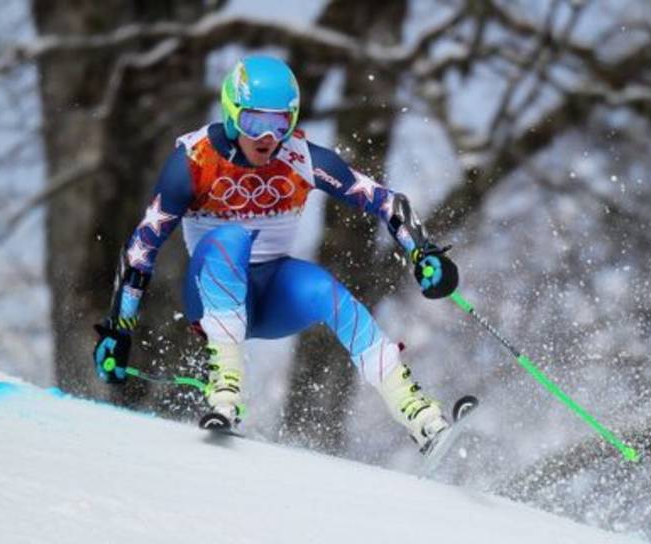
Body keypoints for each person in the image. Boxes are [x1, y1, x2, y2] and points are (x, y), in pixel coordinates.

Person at [92, 55, 459, 452]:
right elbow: (142, 247)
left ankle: (419, 416)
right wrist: (119, 329)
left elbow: (386, 202)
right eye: (254, 123)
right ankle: (225, 392)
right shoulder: (194, 161)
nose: (267, 137)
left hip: (271, 295)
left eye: (280, 123)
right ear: (232, 115)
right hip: (210, 292)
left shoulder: (300, 158)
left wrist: (423, 253)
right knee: (231, 239)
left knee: (326, 291)